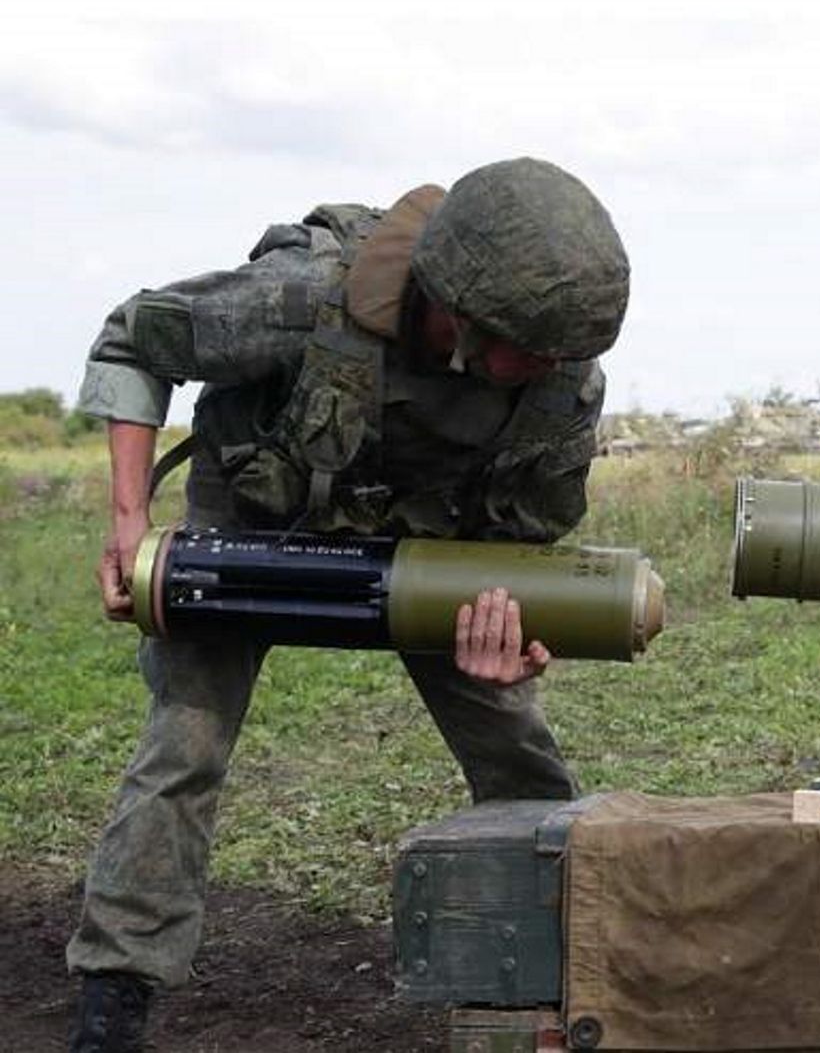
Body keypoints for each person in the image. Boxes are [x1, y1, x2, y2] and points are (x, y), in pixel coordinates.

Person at [66, 158, 630, 1052]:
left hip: (427, 552)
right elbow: (135, 340)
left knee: (519, 754)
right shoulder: (300, 300)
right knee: (184, 741)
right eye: (535, 345)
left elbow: (524, 548)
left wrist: (521, 641)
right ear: (456, 307)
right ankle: (115, 992)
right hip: (248, 526)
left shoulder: (561, 378)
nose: (555, 366)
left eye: (567, 350)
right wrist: (130, 522)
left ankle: (558, 971)